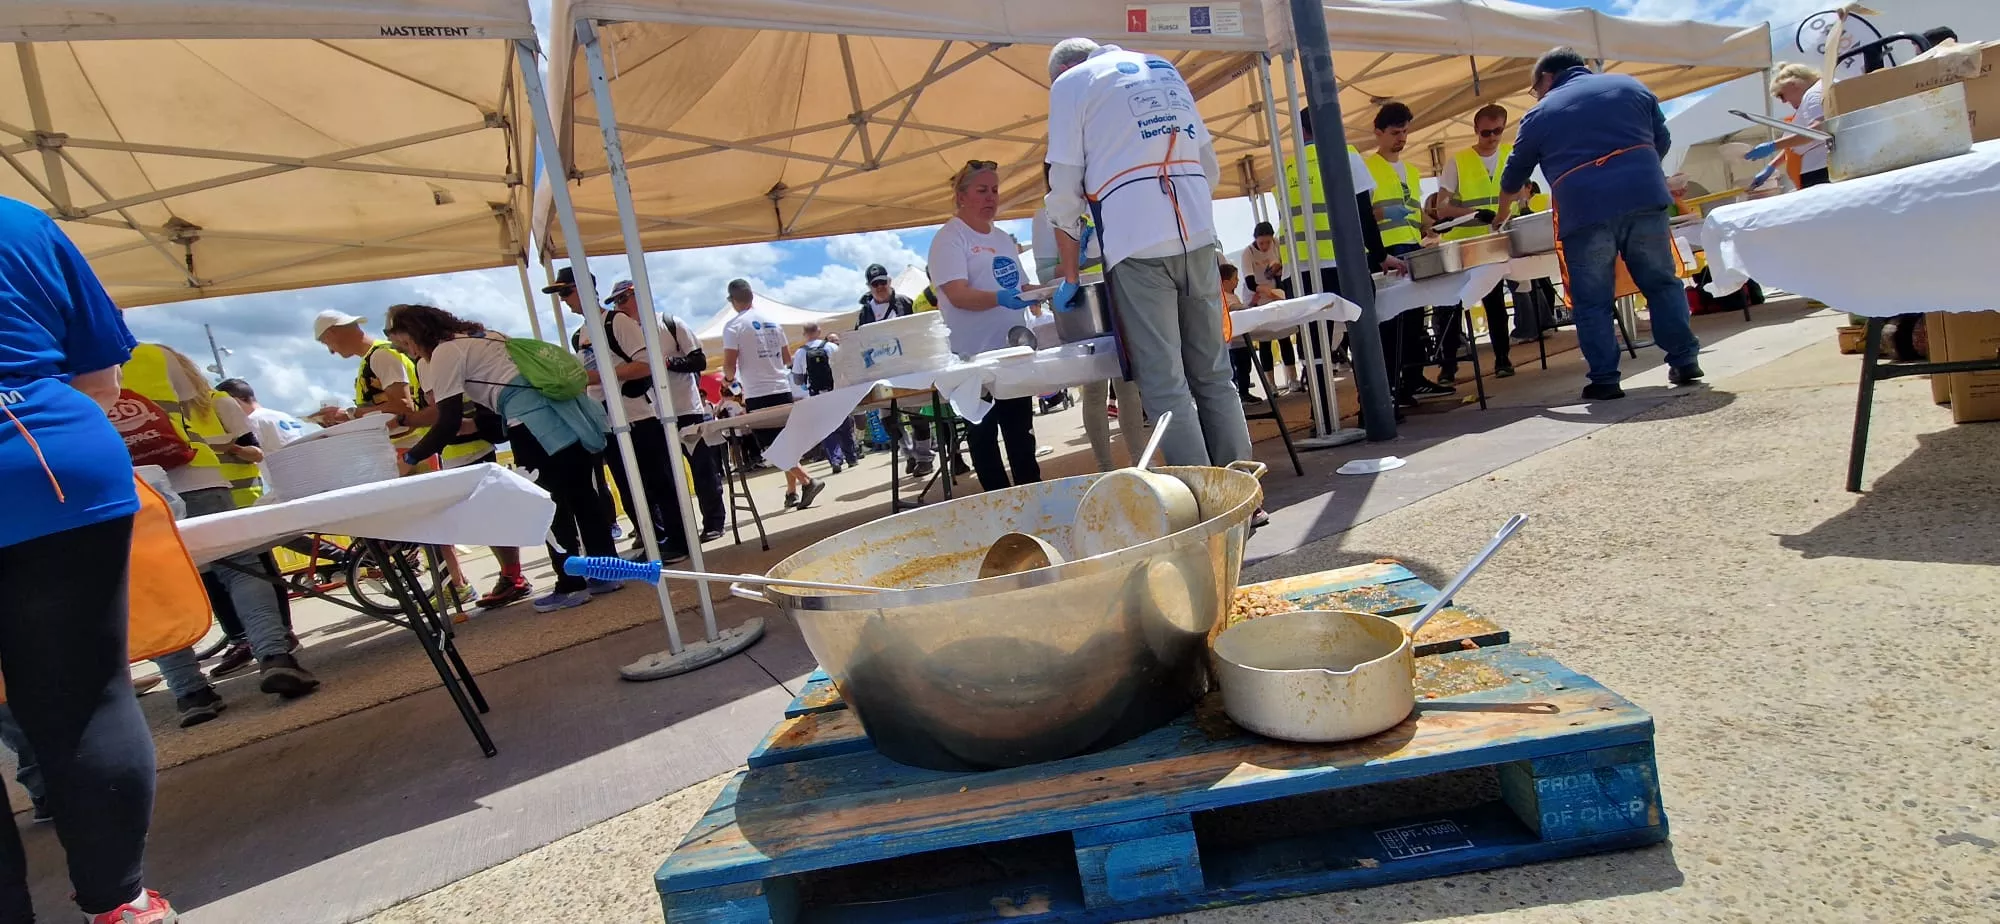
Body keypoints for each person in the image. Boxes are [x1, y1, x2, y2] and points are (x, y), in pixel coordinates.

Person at [0, 195, 180, 924]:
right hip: (43, 456)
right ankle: (119, 906)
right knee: (82, 696)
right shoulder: (17, 221)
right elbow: (101, 380)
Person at [1044, 38, 1251, 471]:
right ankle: (1246, 488)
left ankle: (1204, 498)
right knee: (1214, 373)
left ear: (1063, 70)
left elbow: (1063, 189)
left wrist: (1068, 276)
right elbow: (1207, 166)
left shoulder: (1070, 84)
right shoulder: (1163, 67)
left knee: (1165, 383)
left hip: (1135, 245)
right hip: (1196, 233)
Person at [125, 342, 321, 726]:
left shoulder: (52, 366)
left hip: (128, 487)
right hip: (195, 475)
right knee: (241, 567)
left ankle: (189, 692)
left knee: (156, 587)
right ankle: (274, 656)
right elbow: (191, 411)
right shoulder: (154, 356)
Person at [384, 304, 625, 614]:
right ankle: (607, 574)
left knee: (550, 506)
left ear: (416, 333)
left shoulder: (446, 352)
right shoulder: (485, 336)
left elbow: (447, 419)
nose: (411, 352)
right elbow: (503, 393)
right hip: (567, 417)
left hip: (534, 428)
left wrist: (412, 456)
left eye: (406, 343)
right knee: (582, 497)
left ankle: (571, 584)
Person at [1493, 46, 1702, 401]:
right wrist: (1636, 171)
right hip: (1644, 198)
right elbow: (1661, 140)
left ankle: (1605, 379)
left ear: (1546, 78)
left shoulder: (1540, 113)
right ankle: (1684, 361)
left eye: (1535, 88)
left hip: (1584, 212)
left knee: (1592, 299)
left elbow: (1514, 176)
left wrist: (1500, 217)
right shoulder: (1631, 87)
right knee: (1661, 282)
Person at [314, 311, 482, 605]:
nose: (329, 350)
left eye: (326, 341)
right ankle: (453, 583)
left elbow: (399, 406)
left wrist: (351, 415)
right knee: (426, 520)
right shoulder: (377, 358)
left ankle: (455, 584)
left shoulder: (380, 357)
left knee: (427, 520)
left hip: (409, 446)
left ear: (334, 332)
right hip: (406, 445)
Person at [1282, 108, 1407, 423]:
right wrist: (1380, 255)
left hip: (1298, 269)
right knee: (1362, 334)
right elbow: (1363, 212)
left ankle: (1322, 415)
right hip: (1340, 263)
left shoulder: (1289, 166)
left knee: (1316, 347)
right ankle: (1374, 410)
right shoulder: (1345, 156)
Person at [926, 162, 1043, 491]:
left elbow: (1022, 287)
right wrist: (1001, 298)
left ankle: (1033, 497)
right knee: (984, 437)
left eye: (994, 190)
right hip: (971, 356)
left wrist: (1049, 290)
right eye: (982, 190)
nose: (991, 197)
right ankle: (999, 506)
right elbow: (957, 294)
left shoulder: (1003, 238)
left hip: (1011, 352)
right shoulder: (950, 238)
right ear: (961, 196)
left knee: (1021, 434)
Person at [1365, 102, 1455, 405]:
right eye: (1395, 132)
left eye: (1405, 132)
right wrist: (1387, 212)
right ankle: (1394, 384)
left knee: (1415, 319)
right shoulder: (1368, 168)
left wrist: (1437, 225)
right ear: (1378, 133)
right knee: (1392, 322)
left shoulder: (1411, 171)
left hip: (1411, 248)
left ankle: (1413, 378)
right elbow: (1363, 215)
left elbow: (1415, 214)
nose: (1401, 138)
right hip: (1385, 252)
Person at [721, 279, 825, 510]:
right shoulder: (772, 322)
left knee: (771, 448)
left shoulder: (734, 326)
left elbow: (729, 364)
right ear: (752, 296)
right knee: (785, 442)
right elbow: (787, 359)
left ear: (732, 301)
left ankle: (807, 480)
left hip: (759, 392)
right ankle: (791, 491)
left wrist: (728, 381)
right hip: (781, 388)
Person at [791, 321, 862, 474]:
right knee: (844, 424)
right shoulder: (831, 347)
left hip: (816, 394)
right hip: (836, 390)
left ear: (804, 334)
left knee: (825, 428)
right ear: (819, 331)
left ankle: (835, 460)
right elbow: (845, 367)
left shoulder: (800, 353)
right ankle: (851, 457)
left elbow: (797, 379)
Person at [1238, 221, 1301, 393]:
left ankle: (1293, 378)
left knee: (1284, 336)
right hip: (1257, 297)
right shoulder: (1248, 253)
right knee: (1265, 341)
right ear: (1255, 241)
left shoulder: (1277, 245)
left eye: (1267, 242)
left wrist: (1278, 274)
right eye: (1261, 243)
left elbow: (1285, 267)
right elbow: (1250, 282)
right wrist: (1263, 290)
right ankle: (1270, 384)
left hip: (1276, 294)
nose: (1265, 246)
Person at [1748, 63, 1829, 189]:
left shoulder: (1813, 95)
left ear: (1793, 84)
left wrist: (1773, 145)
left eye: (1781, 95)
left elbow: (1819, 129)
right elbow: (1799, 141)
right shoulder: (1822, 88)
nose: (1784, 101)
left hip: (1821, 170)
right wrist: (1772, 165)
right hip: (1821, 168)